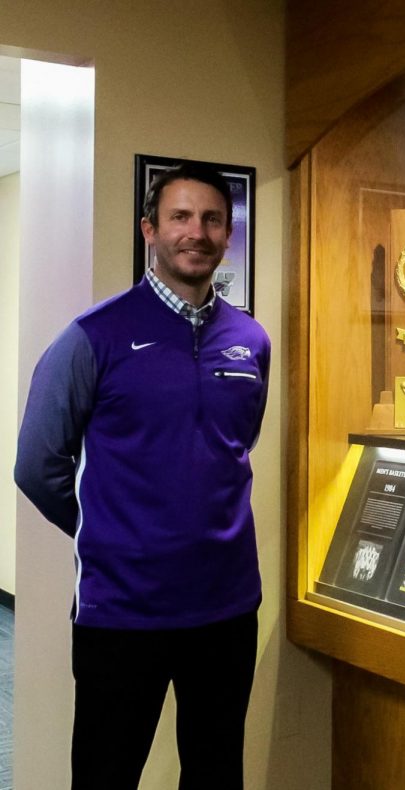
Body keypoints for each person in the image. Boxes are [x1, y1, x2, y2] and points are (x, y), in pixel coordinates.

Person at [15, 161, 271, 789]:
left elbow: (234, 448)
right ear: (149, 229)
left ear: (228, 233)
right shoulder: (93, 337)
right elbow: (37, 465)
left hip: (226, 605)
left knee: (215, 774)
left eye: (212, 219)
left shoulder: (250, 340)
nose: (197, 232)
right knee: (106, 774)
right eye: (180, 217)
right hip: (123, 610)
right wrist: (107, 526)